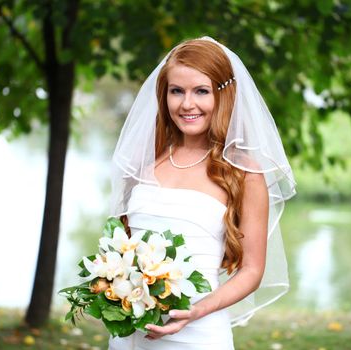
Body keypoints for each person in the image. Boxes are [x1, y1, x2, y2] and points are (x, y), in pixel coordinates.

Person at [108, 37, 296, 350]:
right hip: (132, 335)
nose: (187, 104)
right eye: (176, 91)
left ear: (223, 94)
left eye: (201, 91)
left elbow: (251, 270)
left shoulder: (244, 173)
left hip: (199, 334)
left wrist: (198, 310)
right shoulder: (143, 164)